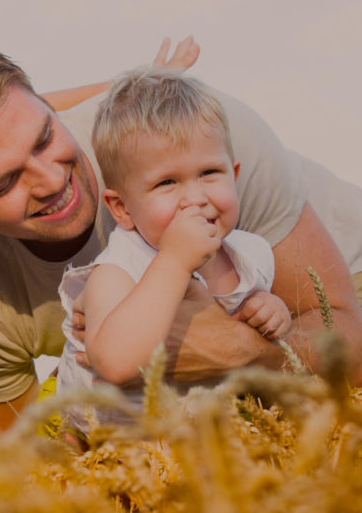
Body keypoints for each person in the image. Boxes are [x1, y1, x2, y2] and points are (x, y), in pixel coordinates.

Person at [0, 32, 362, 434]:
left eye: (44, 137)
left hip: (344, 277)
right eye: (4, 182)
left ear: (48, 104)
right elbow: (11, 470)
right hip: (193, 380)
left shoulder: (199, 138)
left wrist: (238, 349)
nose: (49, 181)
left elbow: (349, 349)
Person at [56, 68, 292, 433]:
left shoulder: (251, 254)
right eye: (167, 182)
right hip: (115, 443)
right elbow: (116, 364)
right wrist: (174, 261)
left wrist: (272, 313)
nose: (195, 198)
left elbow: (257, 340)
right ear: (122, 208)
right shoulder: (118, 271)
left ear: (235, 175)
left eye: (210, 172)